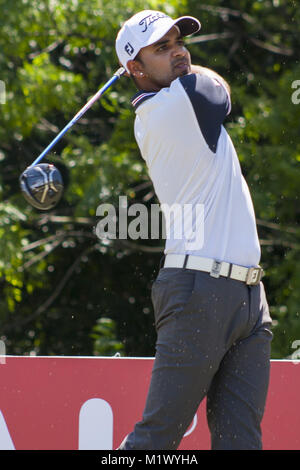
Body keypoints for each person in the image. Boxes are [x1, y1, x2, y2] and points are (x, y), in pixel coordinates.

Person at [115, 10, 273, 450]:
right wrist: (182, 69)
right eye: (161, 48)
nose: (179, 52)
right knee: (157, 438)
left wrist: (163, 63)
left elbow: (194, 76)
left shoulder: (176, 97)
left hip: (248, 300)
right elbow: (216, 86)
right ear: (135, 69)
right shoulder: (171, 108)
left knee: (240, 442)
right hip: (198, 291)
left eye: (179, 42)